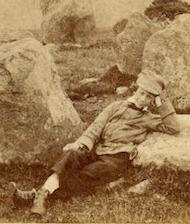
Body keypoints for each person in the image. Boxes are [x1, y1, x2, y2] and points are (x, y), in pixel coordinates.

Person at [11, 71, 180, 216]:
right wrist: (81, 144)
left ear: (153, 101)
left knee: (89, 173)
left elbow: (173, 127)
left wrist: (162, 104)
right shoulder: (115, 106)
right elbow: (96, 127)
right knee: (72, 154)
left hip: (116, 158)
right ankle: (41, 194)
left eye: (149, 97)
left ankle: (37, 195)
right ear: (136, 89)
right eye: (142, 93)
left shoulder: (148, 118)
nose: (143, 99)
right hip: (98, 148)